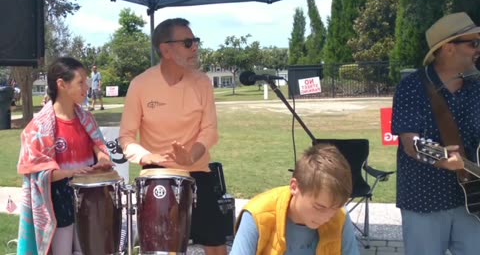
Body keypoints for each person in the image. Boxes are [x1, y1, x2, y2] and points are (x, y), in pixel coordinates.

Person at [119, 18, 225, 255]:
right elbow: (126, 138)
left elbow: (209, 130)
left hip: (197, 170)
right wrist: (151, 156)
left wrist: (190, 157)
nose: (195, 47)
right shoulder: (140, 84)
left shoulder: (202, 82)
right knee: (162, 248)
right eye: (188, 43)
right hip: (157, 174)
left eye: (195, 41)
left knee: (217, 245)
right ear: (165, 49)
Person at [392, 12, 480, 255]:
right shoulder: (412, 88)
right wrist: (441, 158)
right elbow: (410, 143)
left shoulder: (477, 87)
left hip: (473, 201)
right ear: (449, 48)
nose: (478, 49)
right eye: (473, 43)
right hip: (424, 200)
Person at [16, 57, 114, 255]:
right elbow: (40, 172)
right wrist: (72, 172)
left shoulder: (86, 119)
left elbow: (99, 147)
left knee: (88, 248)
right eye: (80, 82)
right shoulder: (39, 127)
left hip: (89, 200)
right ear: (61, 84)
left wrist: (103, 160)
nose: (86, 86)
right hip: (59, 201)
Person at [230, 144, 359, 255]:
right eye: (320, 207)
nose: (327, 217)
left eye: (334, 208)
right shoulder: (257, 215)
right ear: (295, 187)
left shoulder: (340, 215)